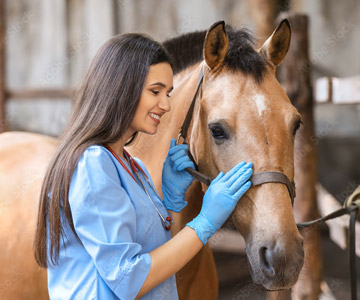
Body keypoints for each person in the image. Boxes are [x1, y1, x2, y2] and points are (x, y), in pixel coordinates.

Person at [34, 33, 253, 300]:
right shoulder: (93, 165)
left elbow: (158, 256)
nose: (166, 104)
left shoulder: (132, 166)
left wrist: (171, 200)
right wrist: (206, 221)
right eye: (155, 91)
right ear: (121, 87)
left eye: (168, 93)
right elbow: (128, 280)